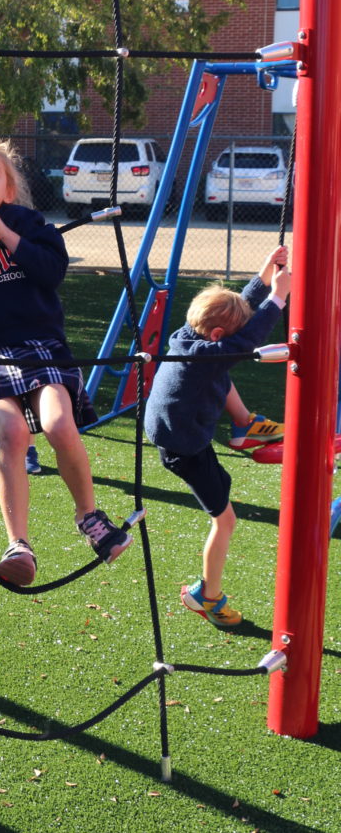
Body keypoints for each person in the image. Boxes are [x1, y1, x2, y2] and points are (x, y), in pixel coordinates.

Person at [0, 136, 131, 587]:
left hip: (40, 347)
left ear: (9, 191)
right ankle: (19, 544)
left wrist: (5, 233)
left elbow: (52, 271)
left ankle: (90, 518)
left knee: (57, 424)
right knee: (12, 433)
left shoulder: (29, 223)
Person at [145, 246, 291, 628]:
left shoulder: (190, 338)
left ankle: (243, 425)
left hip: (175, 426)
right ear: (217, 334)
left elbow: (237, 312)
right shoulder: (212, 353)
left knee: (218, 370)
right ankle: (206, 597)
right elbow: (247, 341)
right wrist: (278, 297)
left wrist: (265, 271)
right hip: (184, 446)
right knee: (225, 521)